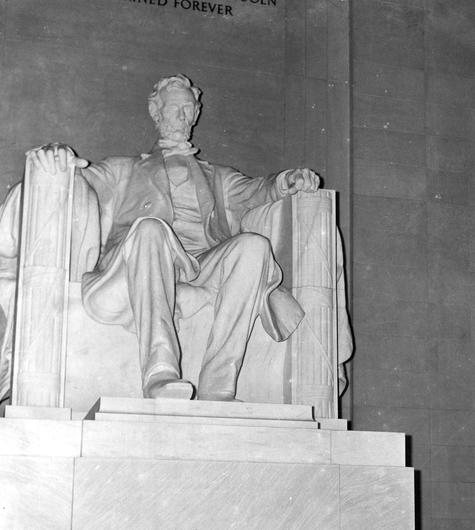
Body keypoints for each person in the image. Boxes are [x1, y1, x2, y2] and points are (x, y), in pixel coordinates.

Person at [21, 74, 320, 402]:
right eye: (173, 107)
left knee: (254, 246)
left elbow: (256, 190)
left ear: (195, 115)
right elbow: (78, 178)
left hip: (202, 265)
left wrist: (286, 181)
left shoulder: (217, 176)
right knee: (151, 228)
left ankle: (218, 385)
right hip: (137, 262)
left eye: (188, 109)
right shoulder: (123, 169)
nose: (181, 115)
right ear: (155, 111)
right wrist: (57, 159)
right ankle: (160, 374)